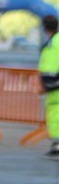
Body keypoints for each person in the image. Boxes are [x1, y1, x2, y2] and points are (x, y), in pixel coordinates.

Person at [39, 14, 59, 159]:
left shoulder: (51, 44)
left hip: (54, 88)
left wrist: (45, 84)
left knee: (54, 116)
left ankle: (57, 146)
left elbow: (49, 68)